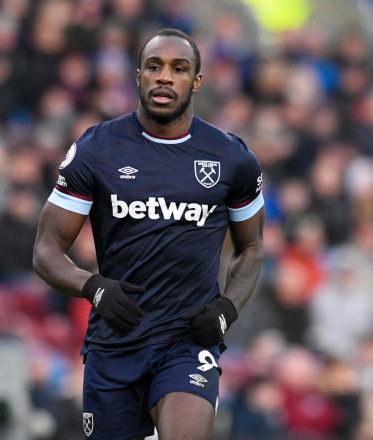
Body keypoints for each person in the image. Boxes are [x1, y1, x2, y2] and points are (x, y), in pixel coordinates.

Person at [33, 28, 265, 440]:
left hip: (186, 342)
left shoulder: (231, 158)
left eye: (179, 68)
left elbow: (251, 248)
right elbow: (47, 251)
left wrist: (227, 310)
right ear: (138, 76)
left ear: (196, 81)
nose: (164, 77)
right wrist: (94, 287)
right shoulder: (97, 149)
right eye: (154, 67)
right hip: (115, 344)